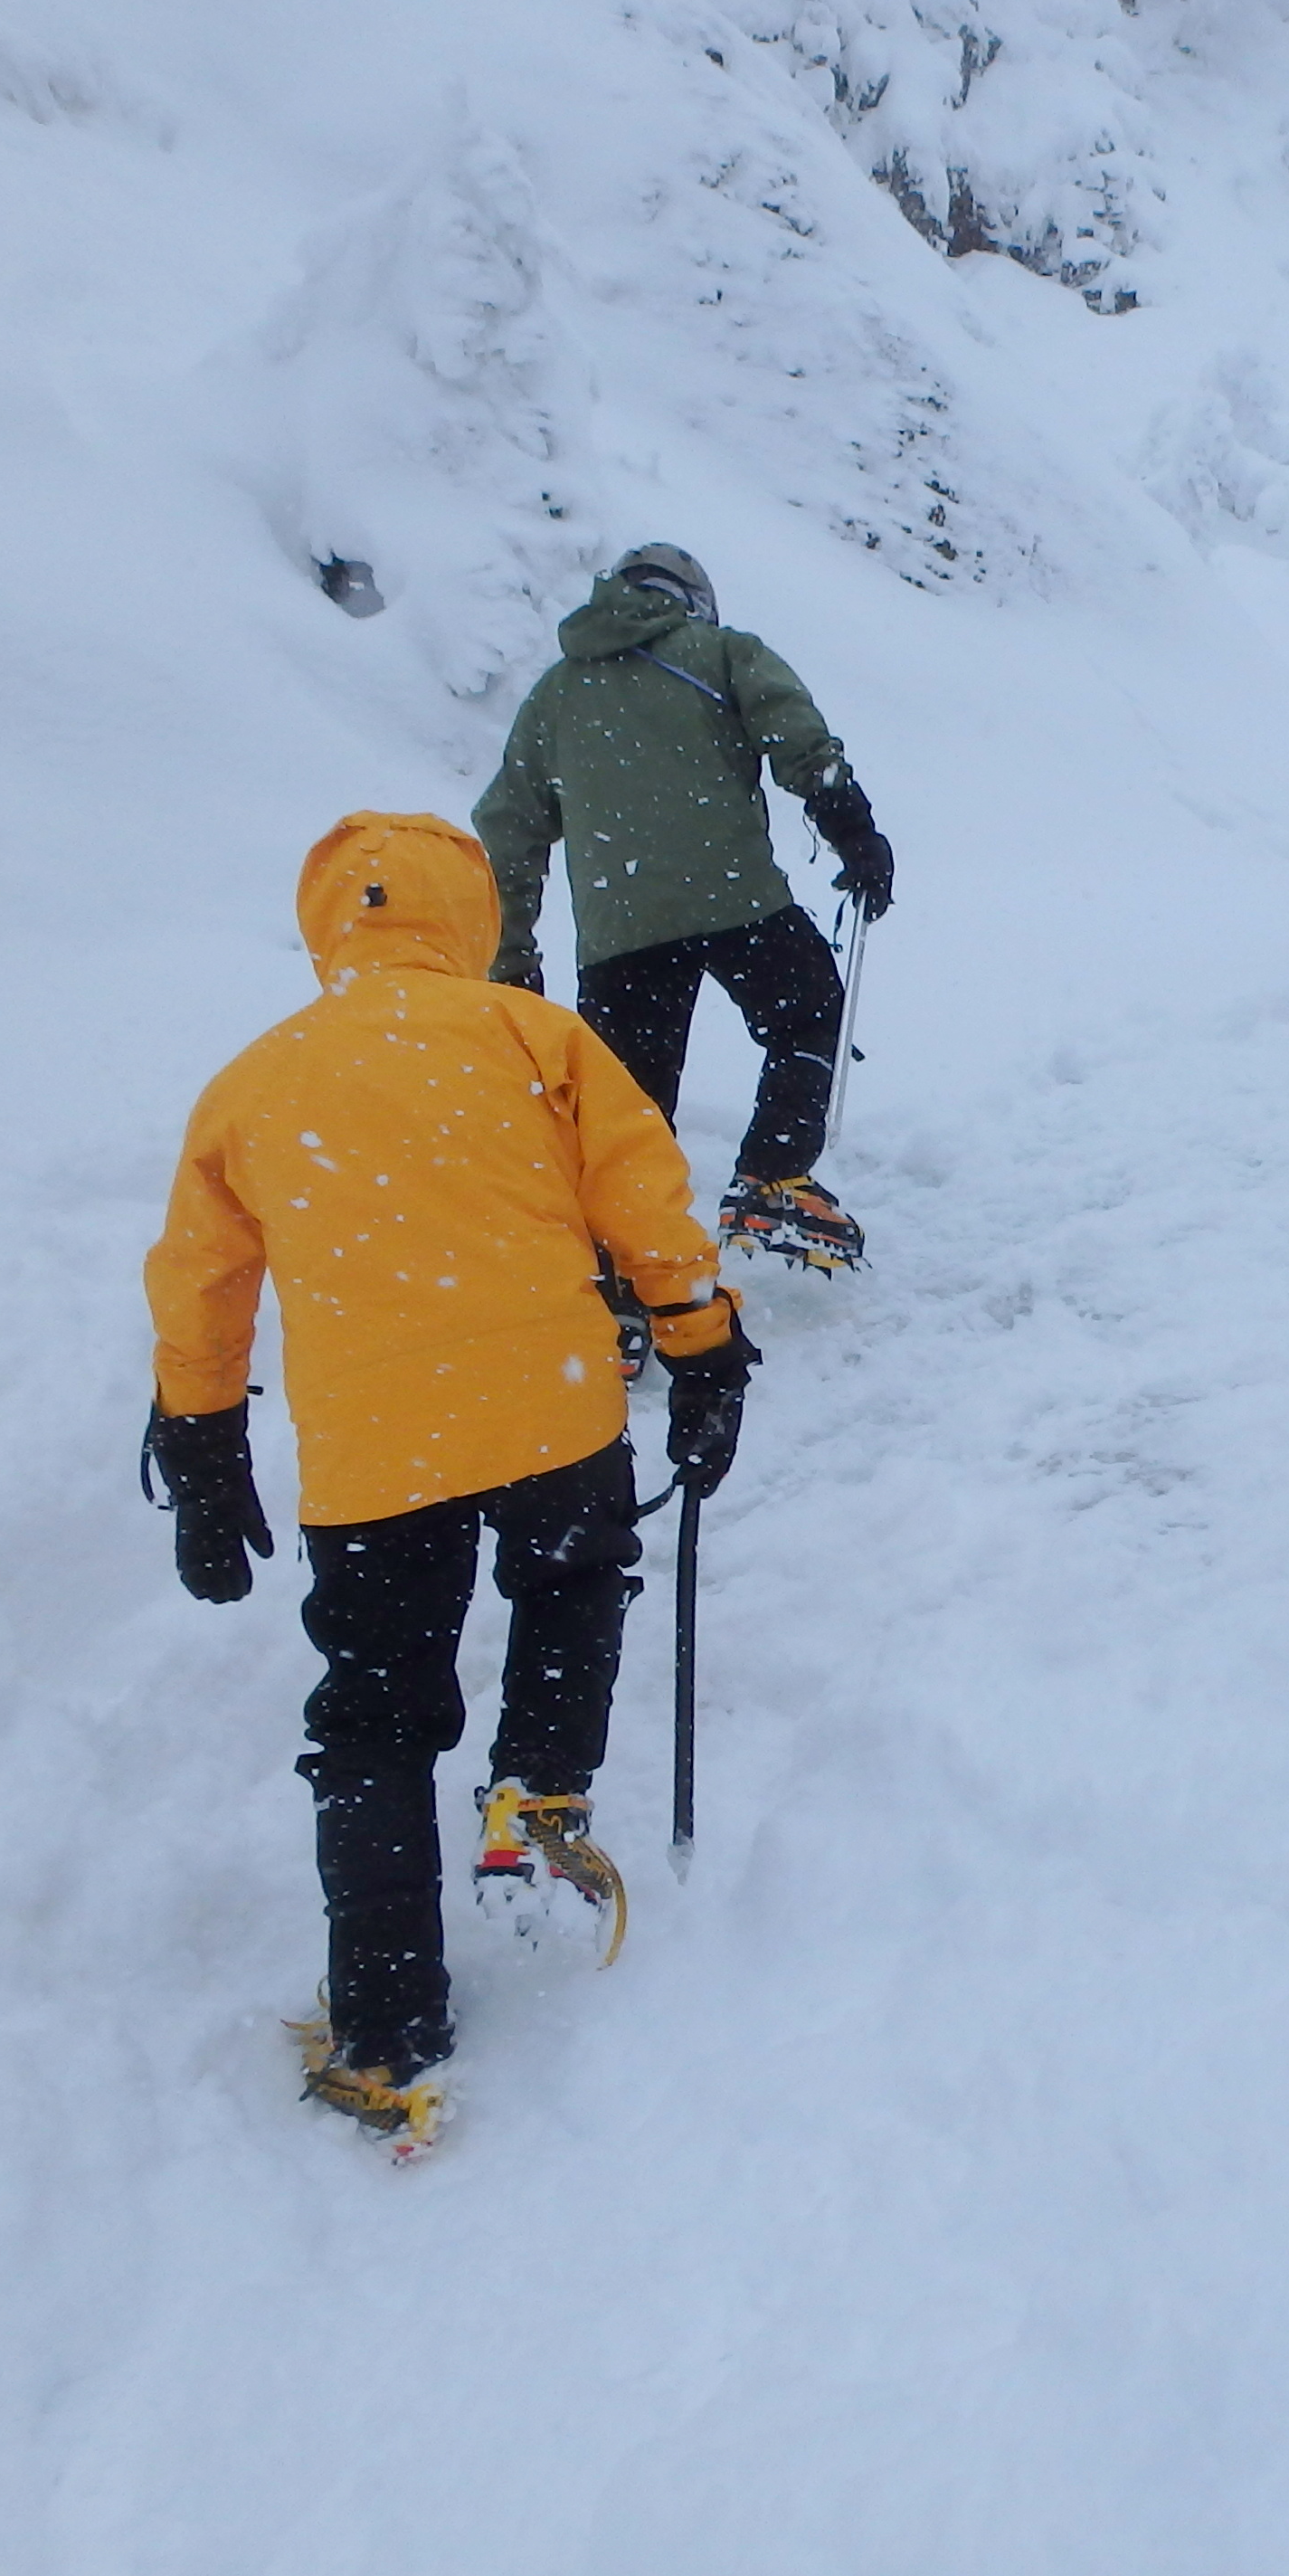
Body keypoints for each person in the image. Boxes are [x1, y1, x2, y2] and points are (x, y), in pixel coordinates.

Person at [141, 813, 759, 2148]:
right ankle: (537, 1788)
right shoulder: (532, 1035)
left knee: (374, 1716)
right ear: (471, 917)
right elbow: (644, 1201)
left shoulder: (253, 1085)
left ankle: (385, 2030)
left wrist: (201, 1442)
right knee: (573, 1581)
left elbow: (201, 1284)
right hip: (548, 1405)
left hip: (376, 1452)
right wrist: (703, 1346)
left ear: (326, 926)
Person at [474, 544, 895, 1273]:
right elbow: (798, 739)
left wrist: (511, 959)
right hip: (735, 899)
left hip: (618, 934)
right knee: (809, 1016)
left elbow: (509, 831)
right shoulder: (721, 653)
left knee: (628, 1106)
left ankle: (621, 1266)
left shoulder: (554, 695)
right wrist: (853, 832)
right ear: (694, 601)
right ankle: (773, 1179)